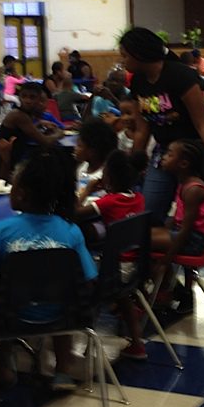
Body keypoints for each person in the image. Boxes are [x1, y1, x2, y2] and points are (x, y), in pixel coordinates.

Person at [0, 150, 95, 391]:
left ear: (22, 194)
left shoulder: (0, 232)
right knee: (63, 293)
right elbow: (88, 280)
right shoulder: (71, 231)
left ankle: (4, 363)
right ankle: (62, 371)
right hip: (62, 316)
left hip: (12, 316)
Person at [118, 27, 204, 226]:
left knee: (195, 218)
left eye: (125, 56)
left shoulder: (180, 76)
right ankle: (162, 244)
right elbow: (143, 128)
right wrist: (134, 165)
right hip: (165, 150)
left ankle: (183, 242)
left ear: (139, 53)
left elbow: (203, 125)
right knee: (150, 213)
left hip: (195, 150)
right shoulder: (138, 81)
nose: (122, 61)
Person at [75, 149, 148, 359]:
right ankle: (137, 344)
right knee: (122, 293)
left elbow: (75, 213)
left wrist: (87, 190)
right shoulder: (138, 198)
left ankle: (72, 328)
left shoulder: (109, 201)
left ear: (109, 178)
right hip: (133, 267)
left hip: (112, 272)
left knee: (75, 267)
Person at [150, 140, 204, 313]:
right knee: (147, 234)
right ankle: (177, 290)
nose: (164, 157)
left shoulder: (192, 190)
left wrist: (167, 260)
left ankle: (166, 290)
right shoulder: (185, 183)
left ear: (183, 164)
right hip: (194, 237)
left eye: (169, 155)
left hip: (196, 241)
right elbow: (178, 219)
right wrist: (164, 229)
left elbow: (186, 230)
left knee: (141, 240)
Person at [0, 81, 64, 169]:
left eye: (32, 97)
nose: (27, 100)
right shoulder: (18, 115)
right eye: (24, 96)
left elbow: (21, 133)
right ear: (19, 97)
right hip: (6, 164)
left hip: (15, 157)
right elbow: (45, 141)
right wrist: (59, 134)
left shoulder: (27, 113)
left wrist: (39, 124)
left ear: (39, 100)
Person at [75, 119, 119, 203]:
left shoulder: (105, 176)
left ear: (92, 152)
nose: (75, 148)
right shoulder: (82, 168)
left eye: (79, 146)